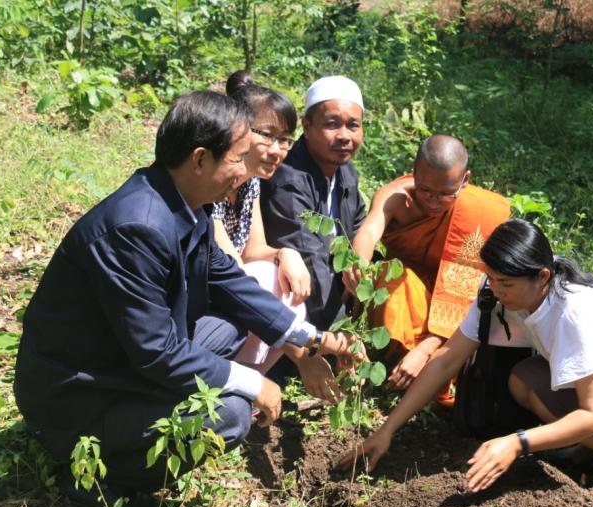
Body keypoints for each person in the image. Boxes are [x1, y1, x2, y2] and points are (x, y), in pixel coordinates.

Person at [13, 91, 363, 507]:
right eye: (239, 157)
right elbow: (158, 352)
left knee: (229, 328)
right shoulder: (136, 228)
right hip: (78, 398)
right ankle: (95, 476)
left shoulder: (184, 201)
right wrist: (255, 383)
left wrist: (313, 339)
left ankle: (131, 438)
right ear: (200, 159)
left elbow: (232, 284)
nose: (245, 170)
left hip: (118, 361)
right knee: (229, 414)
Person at [339, 219, 593, 495]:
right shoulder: (500, 291)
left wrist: (518, 442)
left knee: (557, 402)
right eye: (492, 280)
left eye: (507, 284)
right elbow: (448, 359)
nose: (496, 292)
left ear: (542, 276)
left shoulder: (569, 312)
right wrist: (386, 430)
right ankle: (590, 448)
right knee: (525, 379)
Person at [208, 72, 339, 402]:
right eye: (267, 136)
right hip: (204, 300)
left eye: (285, 139)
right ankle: (234, 384)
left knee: (286, 279)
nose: (278, 150)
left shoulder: (250, 182)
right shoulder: (211, 185)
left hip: (229, 292)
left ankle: (249, 383)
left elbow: (254, 250)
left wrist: (285, 253)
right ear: (237, 129)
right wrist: (304, 354)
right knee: (265, 280)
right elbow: (234, 272)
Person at [345, 135, 511, 392]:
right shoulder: (396, 198)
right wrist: (356, 263)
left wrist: (426, 348)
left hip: (456, 308)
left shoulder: (479, 214)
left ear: (465, 180)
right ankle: (401, 363)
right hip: (407, 301)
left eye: (446, 194)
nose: (433, 201)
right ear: (414, 173)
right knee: (391, 274)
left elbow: (467, 295)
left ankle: (425, 366)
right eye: (425, 190)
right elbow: (368, 232)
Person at [260, 75, 366, 330]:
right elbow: (311, 261)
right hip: (296, 301)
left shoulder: (345, 172)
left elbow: (359, 229)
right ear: (307, 127)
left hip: (332, 294)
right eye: (332, 125)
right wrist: (340, 337)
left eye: (353, 126)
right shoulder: (289, 180)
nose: (344, 136)